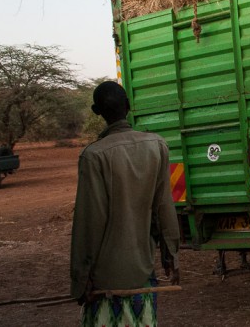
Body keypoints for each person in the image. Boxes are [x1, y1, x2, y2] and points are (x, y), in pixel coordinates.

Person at [71, 81, 181, 326]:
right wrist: (171, 255)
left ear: (96, 111)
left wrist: (81, 279)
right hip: (142, 270)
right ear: (129, 106)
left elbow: (89, 222)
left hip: (106, 279)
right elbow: (164, 206)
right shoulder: (157, 145)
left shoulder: (93, 155)